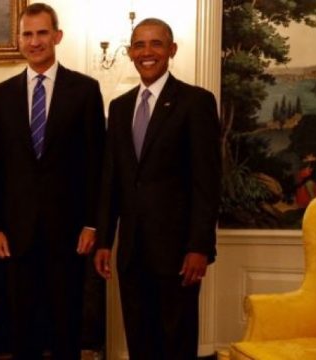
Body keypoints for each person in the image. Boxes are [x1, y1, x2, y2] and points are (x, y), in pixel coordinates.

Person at [93, 18, 221, 360]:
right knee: (140, 342)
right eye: (139, 45)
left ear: (172, 50)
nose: (146, 52)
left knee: (177, 343)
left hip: (179, 253)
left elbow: (207, 183)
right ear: (131, 52)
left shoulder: (196, 102)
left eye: (156, 44)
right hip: (132, 252)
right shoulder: (119, 108)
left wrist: (199, 247)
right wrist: (105, 239)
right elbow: (113, 180)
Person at [0, 3, 105, 359]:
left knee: (67, 325)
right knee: (21, 328)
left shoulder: (85, 90)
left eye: (41, 33)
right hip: (16, 234)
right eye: (27, 34)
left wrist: (91, 223)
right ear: (19, 40)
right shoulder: (0, 95)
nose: (35, 41)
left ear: (57, 36)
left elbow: (96, 163)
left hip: (69, 232)